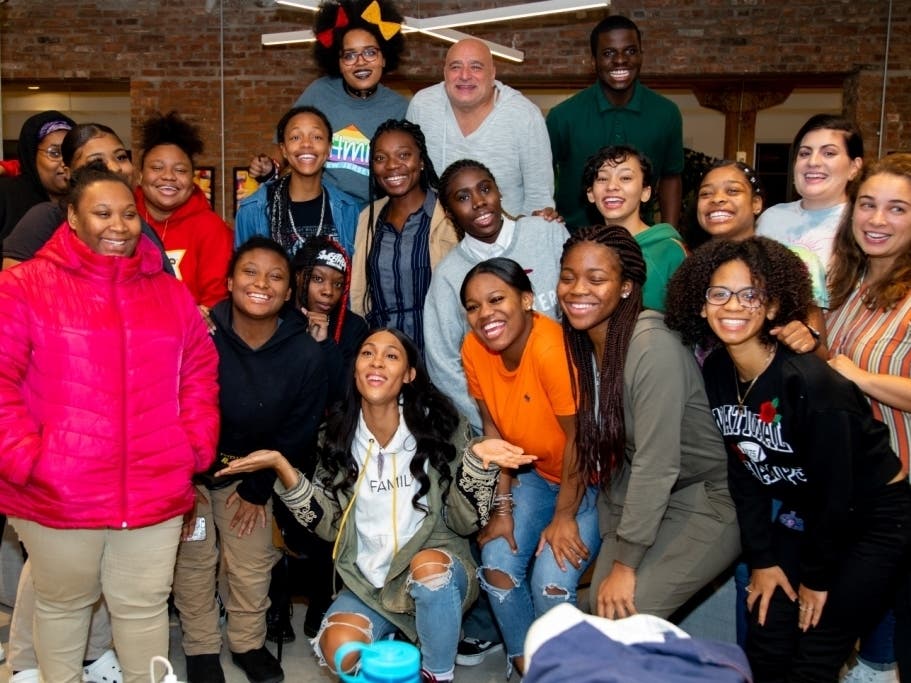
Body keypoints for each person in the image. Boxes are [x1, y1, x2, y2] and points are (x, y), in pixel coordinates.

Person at [0, 165, 220, 683]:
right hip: (58, 492)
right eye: (101, 213)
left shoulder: (168, 293)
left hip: (153, 487)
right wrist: (25, 458)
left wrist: (192, 448)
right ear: (72, 218)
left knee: (144, 609)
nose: (118, 225)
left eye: (127, 213)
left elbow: (200, 373)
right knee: (62, 608)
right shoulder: (24, 286)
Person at [214, 328, 534, 682]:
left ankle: (437, 671)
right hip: (371, 583)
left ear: (409, 375)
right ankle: (404, 645)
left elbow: (464, 523)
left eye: (392, 355)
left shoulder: (440, 428)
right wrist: (281, 467)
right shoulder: (335, 436)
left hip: (439, 570)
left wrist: (476, 463)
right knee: (339, 652)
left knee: (429, 572)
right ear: (355, 368)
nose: (377, 361)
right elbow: (331, 526)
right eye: (367, 353)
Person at [664, 236, 911, 682]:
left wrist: (817, 580)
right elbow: (744, 470)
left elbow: (837, 493)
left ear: (774, 306)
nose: (732, 306)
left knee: (815, 651)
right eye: (719, 294)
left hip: (873, 517)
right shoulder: (718, 370)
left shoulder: (812, 385)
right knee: (767, 634)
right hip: (807, 512)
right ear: (701, 305)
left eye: (750, 294)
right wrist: (762, 559)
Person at [557, 224, 739, 622]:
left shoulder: (652, 347)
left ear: (626, 287)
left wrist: (626, 564)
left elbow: (655, 464)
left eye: (596, 279)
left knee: (621, 618)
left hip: (707, 499)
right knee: (595, 608)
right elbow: (618, 452)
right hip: (656, 498)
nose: (577, 290)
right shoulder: (592, 342)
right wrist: (613, 536)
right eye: (568, 277)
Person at [172, 236, 327, 683]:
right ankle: (200, 647)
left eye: (275, 276)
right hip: (194, 475)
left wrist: (258, 490)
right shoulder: (200, 335)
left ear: (288, 292)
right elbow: (174, 406)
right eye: (250, 272)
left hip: (255, 479)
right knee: (194, 561)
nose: (262, 283)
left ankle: (247, 642)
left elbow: (299, 431)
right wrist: (183, 482)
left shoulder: (305, 354)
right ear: (228, 281)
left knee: (251, 563)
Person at [459, 258, 599, 677]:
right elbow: (492, 435)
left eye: (496, 299)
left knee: (550, 584)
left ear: (526, 299)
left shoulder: (550, 348)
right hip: (534, 473)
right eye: (472, 306)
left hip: (589, 480)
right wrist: (502, 511)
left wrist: (564, 517)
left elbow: (580, 441)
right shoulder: (472, 349)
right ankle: (527, 664)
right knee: (497, 561)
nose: (485, 314)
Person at [826, 153, 911, 682]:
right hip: (868, 491)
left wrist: (858, 377)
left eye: (897, 209)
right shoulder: (850, 285)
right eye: (868, 205)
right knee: (876, 627)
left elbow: (850, 375)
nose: (877, 220)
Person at [424, 159, 568, 433]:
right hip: (505, 429)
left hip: (570, 412)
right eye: (463, 197)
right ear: (449, 212)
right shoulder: (448, 276)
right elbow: (443, 363)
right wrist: (492, 421)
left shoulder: (547, 233)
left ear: (499, 192)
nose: (478, 202)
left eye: (484, 189)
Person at [249, 0, 408, 206]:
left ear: (384, 58)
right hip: (324, 212)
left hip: (374, 219)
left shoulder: (400, 108)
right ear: (338, 63)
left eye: (370, 52)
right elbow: (285, 142)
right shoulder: (319, 93)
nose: (360, 62)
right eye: (349, 55)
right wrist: (270, 166)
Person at [546, 16, 683, 230]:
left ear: (641, 55)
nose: (620, 60)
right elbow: (541, 175)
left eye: (630, 51)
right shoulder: (563, 116)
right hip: (573, 237)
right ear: (594, 61)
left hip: (640, 241)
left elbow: (671, 177)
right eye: (608, 53)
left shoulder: (666, 113)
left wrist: (671, 236)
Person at [406, 38, 556, 218]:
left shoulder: (524, 115)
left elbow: (539, 199)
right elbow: (411, 179)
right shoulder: (422, 106)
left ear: (492, 74)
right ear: (444, 73)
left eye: (476, 67)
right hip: (436, 237)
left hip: (505, 240)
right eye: (455, 67)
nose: (464, 75)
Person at [694, 160, 829, 357]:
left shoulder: (795, 264)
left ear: (756, 203)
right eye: (706, 193)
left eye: (732, 191)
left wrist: (807, 341)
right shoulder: (694, 268)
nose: (717, 199)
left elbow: (823, 355)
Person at [3, 122, 170, 273]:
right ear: (69, 173)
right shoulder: (45, 219)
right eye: (96, 162)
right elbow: (12, 294)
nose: (114, 167)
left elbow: (168, 291)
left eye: (121, 157)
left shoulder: (138, 227)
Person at [349, 119, 457, 352]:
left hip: (441, 355)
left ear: (420, 161)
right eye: (380, 158)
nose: (391, 166)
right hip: (383, 359)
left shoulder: (449, 212)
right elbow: (360, 296)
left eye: (403, 155)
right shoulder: (368, 217)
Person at [135, 111, 233, 307]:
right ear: (140, 176)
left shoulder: (211, 228)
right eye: (157, 168)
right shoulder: (123, 221)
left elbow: (216, 300)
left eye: (180, 170)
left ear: (192, 178)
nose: (168, 176)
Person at [236, 106, 361, 259]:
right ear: (283, 150)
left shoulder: (348, 209)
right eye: (296, 137)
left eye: (317, 137)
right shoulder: (253, 210)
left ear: (329, 148)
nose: (306, 144)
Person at [581, 145, 686, 311]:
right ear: (591, 194)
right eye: (602, 179)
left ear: (645, 192)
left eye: (625, 178)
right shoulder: (585, 250)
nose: (611, 186)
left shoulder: (669, 251)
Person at [757, 114, 864, 271]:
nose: (813, 162)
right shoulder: (772, 218)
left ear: (854, 167)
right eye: (805, 153)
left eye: (829, 153)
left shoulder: (863, 223)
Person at [292, 235, 368, 405]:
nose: (328, 291)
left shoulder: (354, 327)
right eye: (318, 279)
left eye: (338, 284)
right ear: (298, 276)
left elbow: (345, 394)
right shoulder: (280, 319)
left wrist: (324, 343)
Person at [0, 110, 74, 243]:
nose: (64, 162)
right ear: (32, 156)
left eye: (71, 153)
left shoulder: (87, 199)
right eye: (55, 153)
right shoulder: (5, 194)